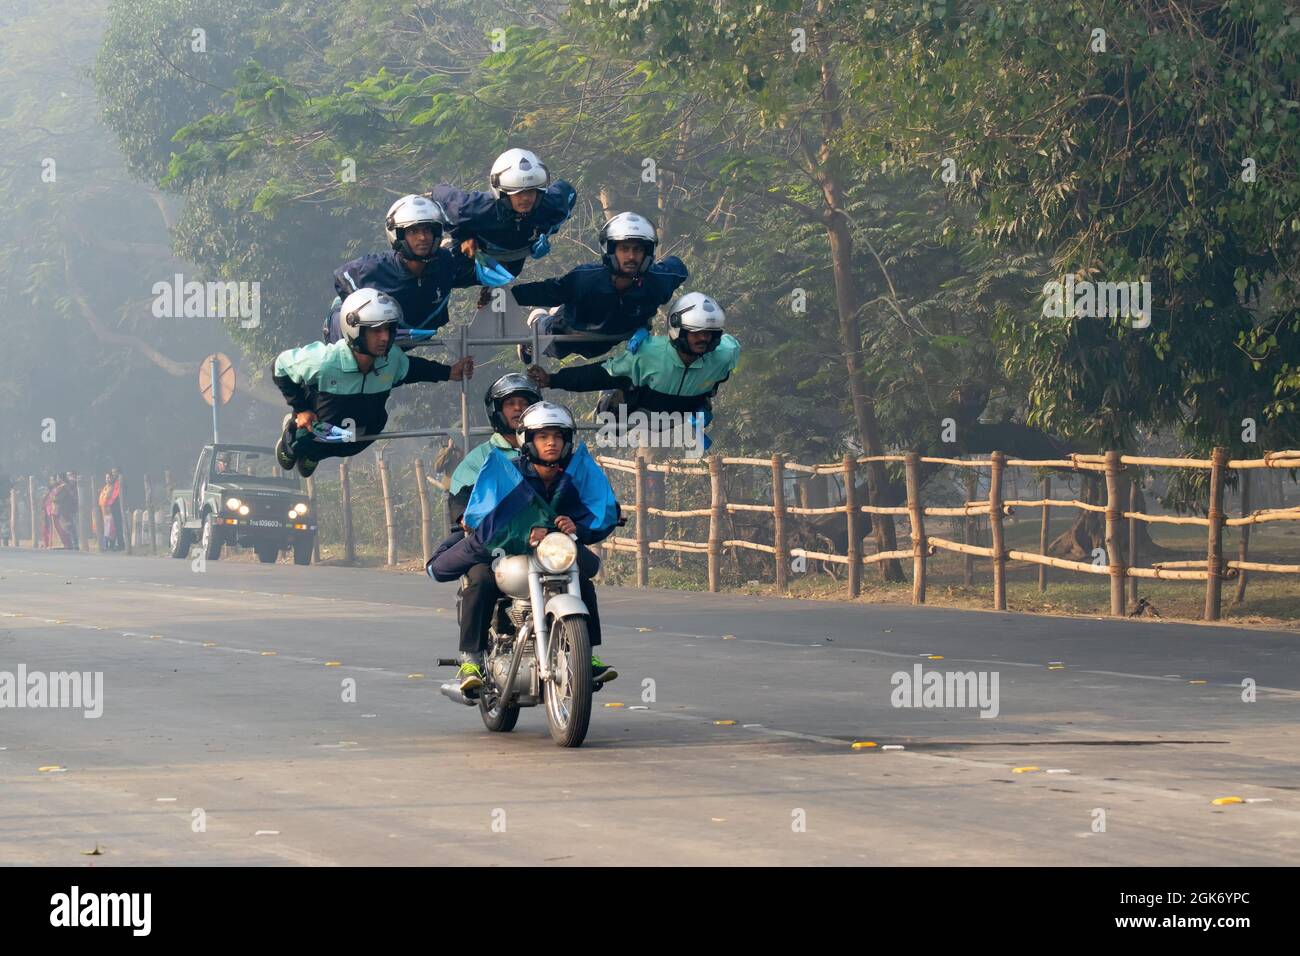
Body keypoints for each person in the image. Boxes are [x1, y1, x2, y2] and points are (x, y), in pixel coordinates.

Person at [428, 401, 617, 698]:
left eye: (557, 436)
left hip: (550, 552)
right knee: (481, 579)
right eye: (543, 437)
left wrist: (576, 526)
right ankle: (471, 660)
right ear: (528, 441)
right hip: (503, 551)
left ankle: (585, 654)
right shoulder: (506, 476)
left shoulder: (575, 475)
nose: (552, 443)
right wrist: (523, 531)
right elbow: (486, 519)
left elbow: (599, 510)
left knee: (581, 576)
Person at [274, 288, 474, 478]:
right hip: (319, 424)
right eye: (376, 331)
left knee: (348, 443)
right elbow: (279, 366)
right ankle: (291, 438)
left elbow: (412, 369)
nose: (385, 338)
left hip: (359, 431)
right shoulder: (324, 361)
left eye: (388, 329)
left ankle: (314, 455)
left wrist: (448, 372)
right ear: (355, 331)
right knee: (302, 444)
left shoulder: (392, 359)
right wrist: (300, 409)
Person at [528, 292, 739, 432]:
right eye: (696, 333)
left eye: (709, 334)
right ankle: (553, 317)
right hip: (640, 407)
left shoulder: (725, 353)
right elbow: (598, 375)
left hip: (681, 413)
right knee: (610, 421)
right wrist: (553, 379)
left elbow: (730, 350)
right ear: (680, 331)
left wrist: (704, 399)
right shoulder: (648, 354)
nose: (704, 339)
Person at [509, 212, 687, 362]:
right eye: (624, 249)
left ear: (647, 253)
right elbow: (549, 291)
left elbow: (678, 268)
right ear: (610, 250)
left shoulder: (658, 281)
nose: (631, 256)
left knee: (596, 350)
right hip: (571, 330)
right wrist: (507, 296)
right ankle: (539, 322)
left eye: (638, 250)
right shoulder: (586, 279)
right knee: (557, 348)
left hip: (610, 338)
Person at [323, 195, 479, 345]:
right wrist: (369, 315)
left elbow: (473, 270)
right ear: (398, 235)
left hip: (402, 344)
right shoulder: (375, 267)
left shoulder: (445, 262)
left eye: (428, 230)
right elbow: (342, 276)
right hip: (353, 339)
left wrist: (489, 290)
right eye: (413, 232)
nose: (423, 238)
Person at [430, 149, 576, 296]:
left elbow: (569, 193)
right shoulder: (474, 209)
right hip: (469, 255)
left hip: (509, 267)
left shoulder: (553, 205)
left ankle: (491, 288)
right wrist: (459, 234)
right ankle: (446, 248)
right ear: (503, 193)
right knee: (441, 279)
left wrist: (548, 231)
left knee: (503, 276)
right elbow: (439, 192)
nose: (526, 198)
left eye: (531, 191)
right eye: (518, 192)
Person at [444, 372, 542, 529]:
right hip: (496, 535)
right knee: (446, 553)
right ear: (496, 411)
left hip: (548, 539)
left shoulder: (547, 453)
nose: (518, 408)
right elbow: (460, 498)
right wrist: (464, 515)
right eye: (510, 403)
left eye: (524, 403)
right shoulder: (480, 458)